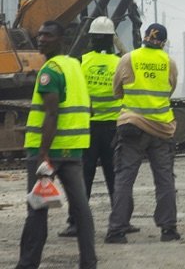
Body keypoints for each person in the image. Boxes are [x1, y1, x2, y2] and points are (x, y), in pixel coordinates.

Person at [17, 21, 96, 269]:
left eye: (48, 35)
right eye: (40, 34)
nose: (41, 38)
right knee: (81, 208)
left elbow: (52, 113)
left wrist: (42, 154)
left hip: (48, 153)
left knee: (37, 209)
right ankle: (89, 262)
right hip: (73, 150)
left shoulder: (50, 71)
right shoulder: (74, 66)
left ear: (61, 39)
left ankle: (27, 264)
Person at [60, 16, 134, 238]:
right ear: (112, 39)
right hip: (113, 127)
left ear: (91, 38)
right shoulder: (121, 62)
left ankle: (75, 223)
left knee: (84, 176)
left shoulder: (81, 61)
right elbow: (128, 91)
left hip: (88, 127)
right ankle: (122, 221)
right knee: (116, 176)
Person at [105, 23, 180, 244]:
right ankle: (168, 230)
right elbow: (170, 90)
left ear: (144, 36)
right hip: (162, 127)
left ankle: (117, 230)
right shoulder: (169, 63)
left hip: (132, 126)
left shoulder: (129, 59)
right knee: (165, 179)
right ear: (163, 43)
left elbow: (116, 90)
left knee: (124, 178)